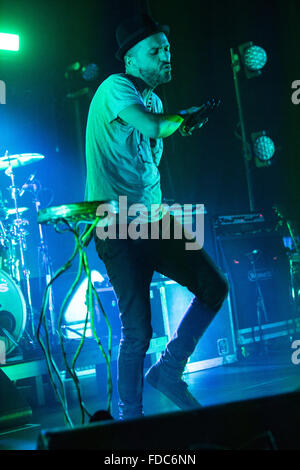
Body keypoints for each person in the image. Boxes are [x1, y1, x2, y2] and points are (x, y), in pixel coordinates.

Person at [85, 13, 229, 420]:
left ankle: (168, 370)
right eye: (156, 50)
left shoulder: (156, 100)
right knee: (137, 332)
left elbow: (151, 149)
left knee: (214, 287)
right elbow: (152, 126)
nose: (167, 55)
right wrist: (179, 120)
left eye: (167, 48)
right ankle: (130, 420)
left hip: (153, 219)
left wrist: (177, 119)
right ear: (130, 58)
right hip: (117, 225)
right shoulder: (115, 88)